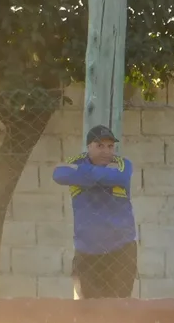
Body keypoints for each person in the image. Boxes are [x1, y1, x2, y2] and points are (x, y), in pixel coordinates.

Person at [53, 124, 138, 299]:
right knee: (88, 311)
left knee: (120, 308)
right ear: (88, 147)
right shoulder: (74, 162)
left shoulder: (122, 164)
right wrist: (103, 175)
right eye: (100, 146)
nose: (106, 151)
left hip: (120, 249)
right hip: (87, 251)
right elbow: (59, 174)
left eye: (110, 146)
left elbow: (120, 177)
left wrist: (80, 174)